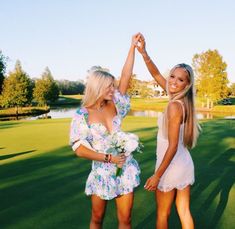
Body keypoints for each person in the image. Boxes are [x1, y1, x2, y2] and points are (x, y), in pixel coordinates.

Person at [70, 33, 141, 229]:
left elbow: (126, 75)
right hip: (102, 172)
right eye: (109, 86)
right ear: (98, 87)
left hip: (125, 169)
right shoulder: (82, 114)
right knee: (97, 219)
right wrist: (108, 159)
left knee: (125, 220)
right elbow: (79, 149)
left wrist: (132, 47)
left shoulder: (116, 103)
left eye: (113, 85)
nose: (113, 89)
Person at [136, 34, 200, 229]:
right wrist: (144, 53)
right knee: (184, 211)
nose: (172, 81)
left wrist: (157, 175)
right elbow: (156, 74)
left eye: (179, 79)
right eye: (172, 76)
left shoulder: (174, 106)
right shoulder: (184, 103)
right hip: (184, 163)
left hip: (170, 165)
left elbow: (172, 146)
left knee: (163, 215)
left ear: (186, 85)